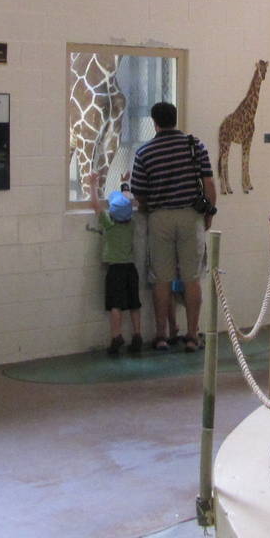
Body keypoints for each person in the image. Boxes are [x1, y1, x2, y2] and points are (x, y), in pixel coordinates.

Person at [129, 101, 216, 352]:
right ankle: (191, 335)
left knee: (161, 279)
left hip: (160, 218)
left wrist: (152, 208)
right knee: (192, 278)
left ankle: (161, 335)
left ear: (154, 122)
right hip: (190, 216)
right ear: (175, 119)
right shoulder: (194, 145)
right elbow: (209, 184)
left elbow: (140, 193)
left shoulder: (145, 152)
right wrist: (208, 214)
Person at [87, 172, 142, 356]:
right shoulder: (131, 224)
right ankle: (137, 334)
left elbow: (95, 205)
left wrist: (93, 185)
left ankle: (116, 336)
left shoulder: (109, 224)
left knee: (116, 305)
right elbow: (127, 201)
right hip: (130, 268)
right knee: (134, 303)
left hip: (115, 269)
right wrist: (124, 182)